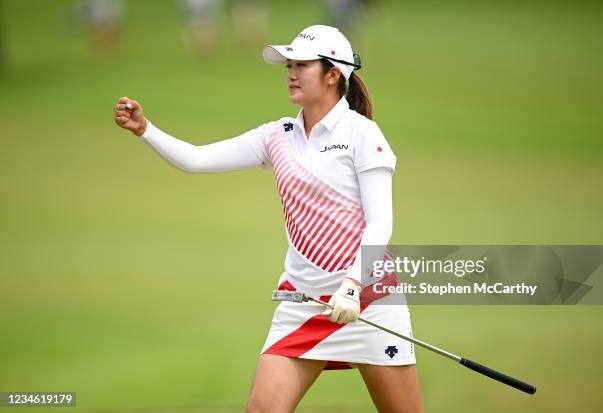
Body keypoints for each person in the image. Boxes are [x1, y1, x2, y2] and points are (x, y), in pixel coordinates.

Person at [113, 24, 424, 413]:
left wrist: (351, 284)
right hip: (303, 302)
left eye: (302, 65)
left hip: (367, 299)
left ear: (333, 74)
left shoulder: (364, 135)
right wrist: (146, 130)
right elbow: (195, 158)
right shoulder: (278, 135)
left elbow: (380, 223)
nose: (291, 73)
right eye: (288, 65)